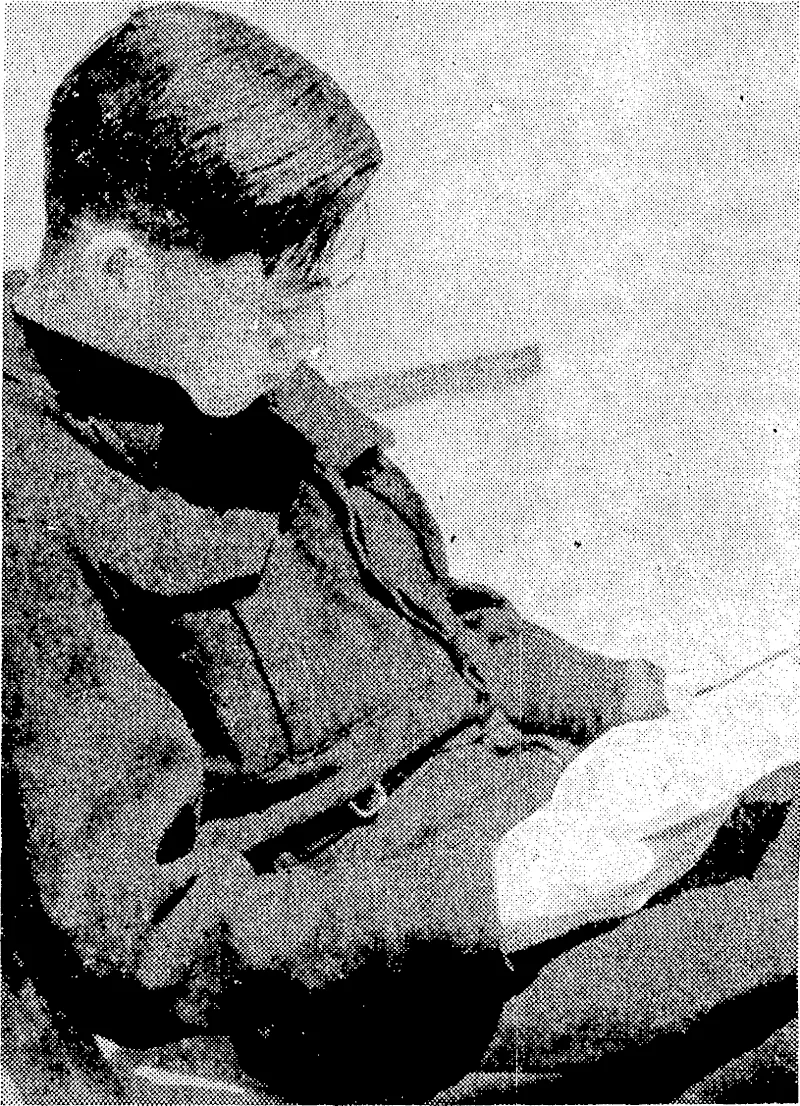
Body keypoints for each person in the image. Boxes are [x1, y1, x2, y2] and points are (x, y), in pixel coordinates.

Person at [2, 7, 795, 1102]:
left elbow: (431, 617)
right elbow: (137, 935)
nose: (313, 338)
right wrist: (495, 893)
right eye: (288, 298)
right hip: (405, 977)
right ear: (118, 270)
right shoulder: (31, 509)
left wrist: (632, 698)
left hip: (546, 816)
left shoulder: (218, 359)